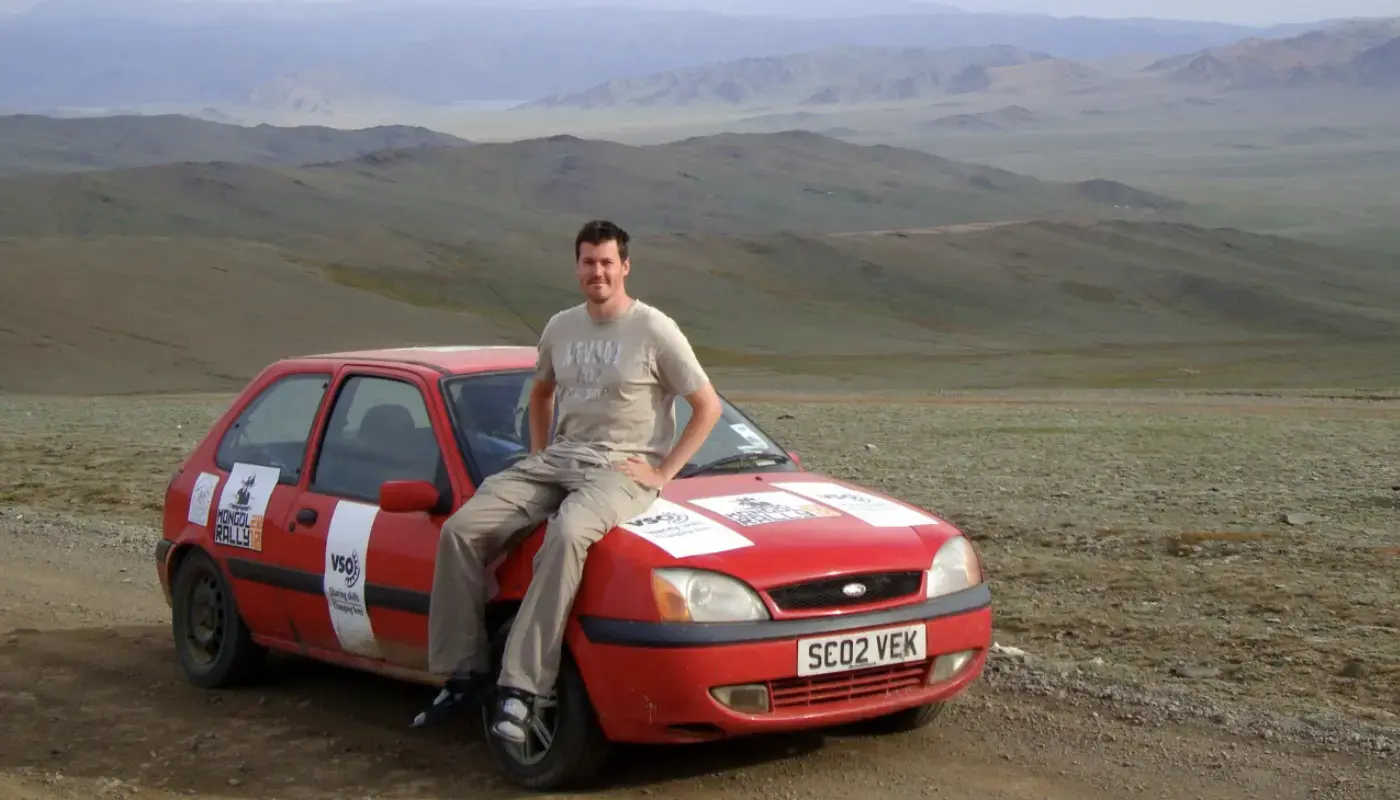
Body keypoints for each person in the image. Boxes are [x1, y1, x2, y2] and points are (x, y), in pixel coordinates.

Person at [411, 219, 723, 745]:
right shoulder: (560, 327)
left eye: (606, 262)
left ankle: (521, 686)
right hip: (558, 459)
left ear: (625, 266)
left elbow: (707, 407)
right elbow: (540, 394)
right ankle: (463, 674)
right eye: (587, 262)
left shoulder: (655, 329)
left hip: (622, 468)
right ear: (576, 266)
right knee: (463, 529)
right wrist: (540, 455)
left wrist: (663, 471)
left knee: (568, 531)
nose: (596, 272)